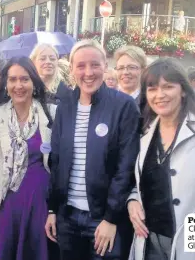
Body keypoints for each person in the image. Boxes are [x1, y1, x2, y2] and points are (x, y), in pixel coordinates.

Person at [127, 57, 195, 260]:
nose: (159, 95)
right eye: (152, 89)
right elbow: (142, 182)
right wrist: (133, 200)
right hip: (149, 243)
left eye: (167, 87)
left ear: (184, 90)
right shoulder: (146, 135)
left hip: (192, 247)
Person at [45, 39, 140, 260]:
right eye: (81, 66)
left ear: (105, 67)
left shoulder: (123, 106)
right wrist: (53, 210)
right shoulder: (65, 106)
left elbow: (126, 167)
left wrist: (111, 218)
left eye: (95, 65)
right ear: (72, 70)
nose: (88, 72)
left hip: (103, 221)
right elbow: (56, 161)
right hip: (67, 219)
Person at [0, 56, 56, 260]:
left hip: (39, 207)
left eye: (24, 79)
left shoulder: (51, 113)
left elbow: (60, 165)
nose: (19, 85)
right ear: (6, 84)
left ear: (33, 82)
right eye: (13, 79)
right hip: (4, 207)